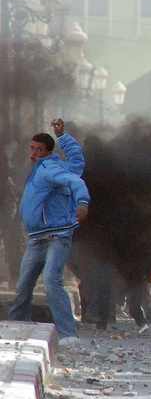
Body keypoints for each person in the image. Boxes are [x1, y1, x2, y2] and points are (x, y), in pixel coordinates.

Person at [7, 119, 90, 347]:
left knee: (52, 280)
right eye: (32, 148)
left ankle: (68, 334)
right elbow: (76, 162)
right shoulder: (47, 167)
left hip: (56, 236)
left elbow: (75, 181)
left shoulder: (48, 169)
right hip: (37, 238)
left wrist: (82, 202)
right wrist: (63, 135)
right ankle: (16, 327)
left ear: (48, 153)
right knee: (24, 285)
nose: (33, 153)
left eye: (39, 150)